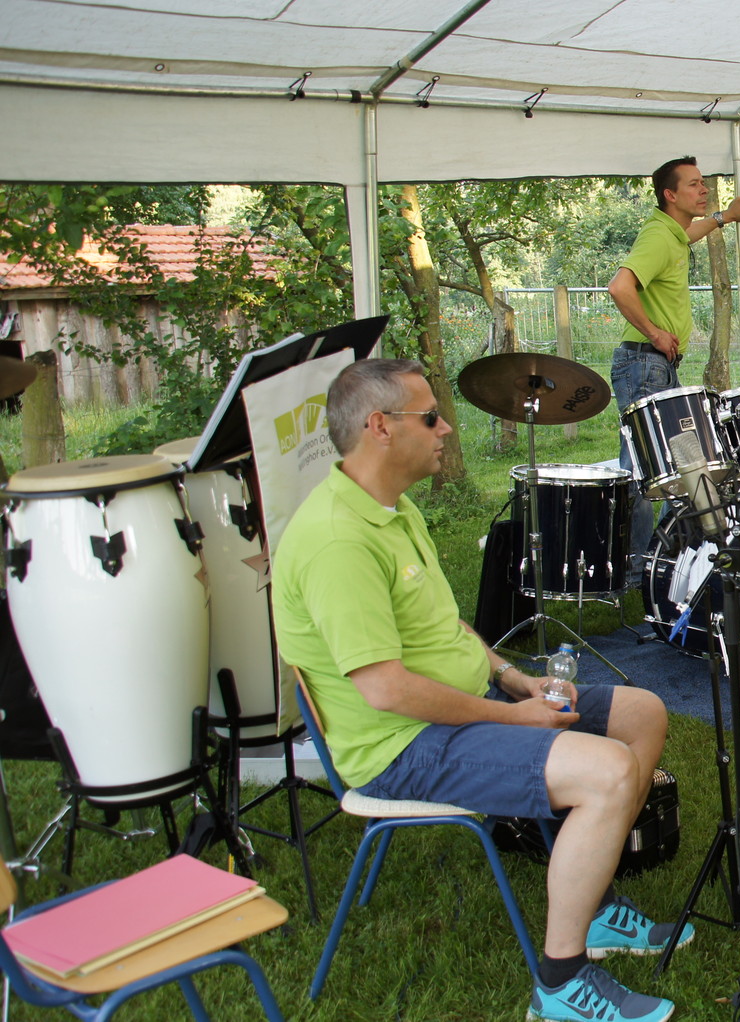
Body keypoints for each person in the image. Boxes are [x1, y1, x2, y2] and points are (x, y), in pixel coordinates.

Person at [273, 359, 688, 1022]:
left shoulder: (389, 507)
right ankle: (559, 983)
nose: (445, 430)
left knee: (642, 712)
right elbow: (386, 690)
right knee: (609, 773)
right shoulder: (336, 542)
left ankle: (597, 906)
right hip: (401, 745)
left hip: (456, 711)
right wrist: (518, 718)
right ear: (380, 427)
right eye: (430, 417)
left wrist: (509, 674)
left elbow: (441, 626)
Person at [608, 156, 740, 562]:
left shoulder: (672, 232)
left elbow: (690, 233)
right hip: (644, 363)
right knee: (644, 472)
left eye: (704, 182)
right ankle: (639, 568)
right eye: (694, 185)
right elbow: (620, 287)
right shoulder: (657, 238)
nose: (704, 189)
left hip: (654, 365)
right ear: (670, 195)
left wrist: (725, 217)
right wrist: (655, 332)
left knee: (675, 468)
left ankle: (663, 557)